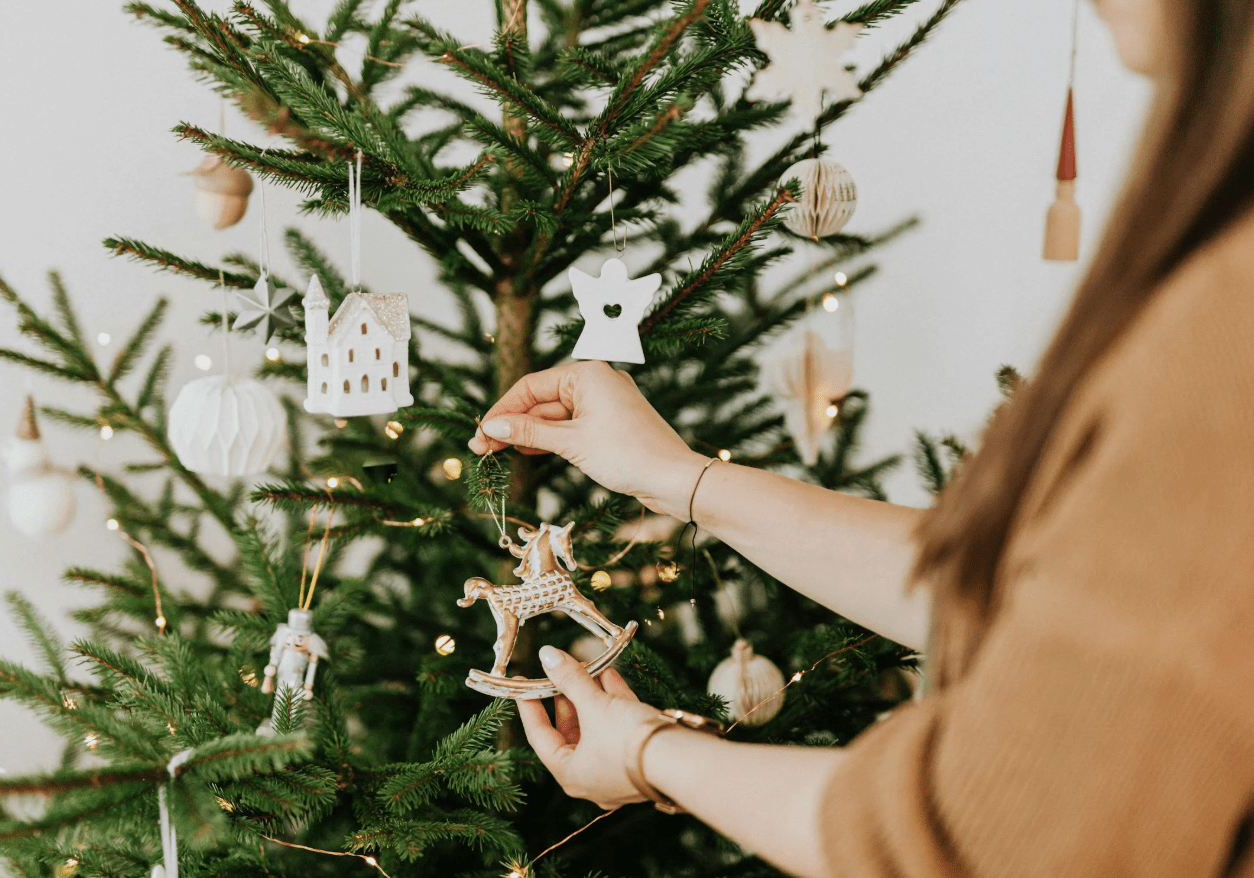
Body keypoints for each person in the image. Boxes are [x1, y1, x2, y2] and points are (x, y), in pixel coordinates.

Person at [467, 0, 1254, 874]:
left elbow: (977, 836)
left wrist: (653, 754)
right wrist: (671, 477)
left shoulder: (1227, 322)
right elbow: (1012, 602)